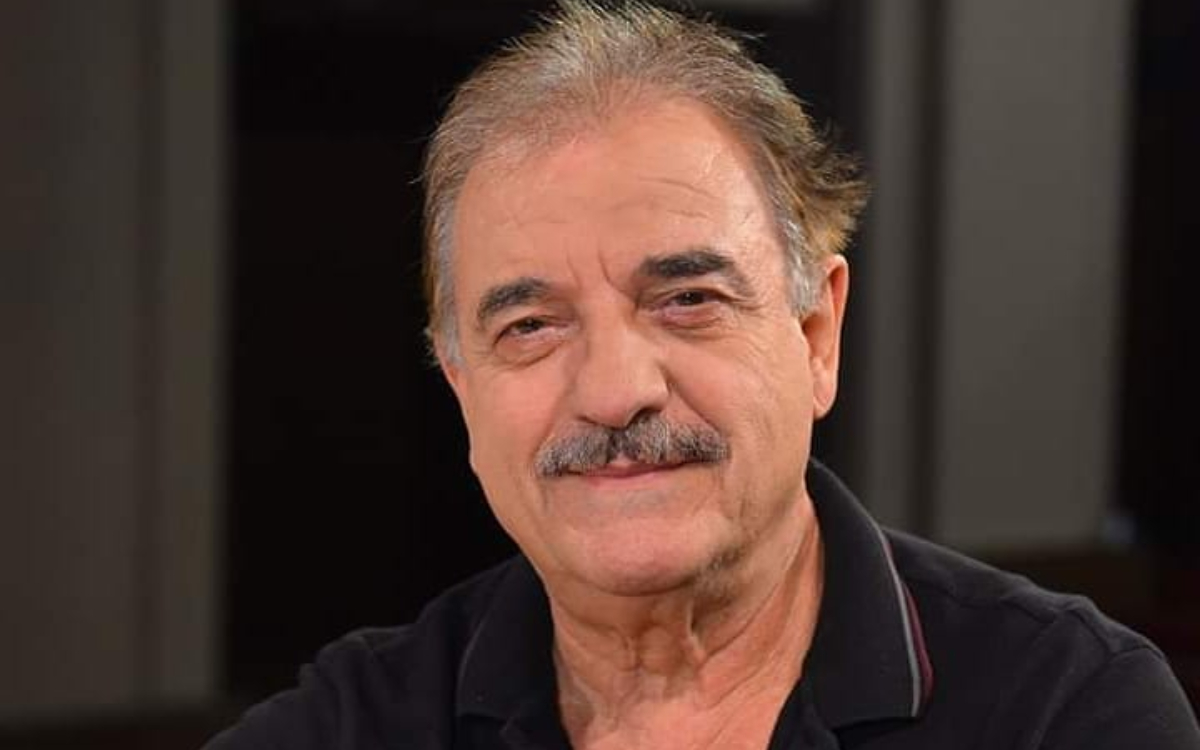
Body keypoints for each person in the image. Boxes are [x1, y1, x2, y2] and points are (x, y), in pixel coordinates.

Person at [206, 2, 1200, 748]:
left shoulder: (1062, 709)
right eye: (530, 325)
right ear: (462, 386)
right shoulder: (350, 725)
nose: (613, 392)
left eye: (685, 299)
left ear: (816, 335)